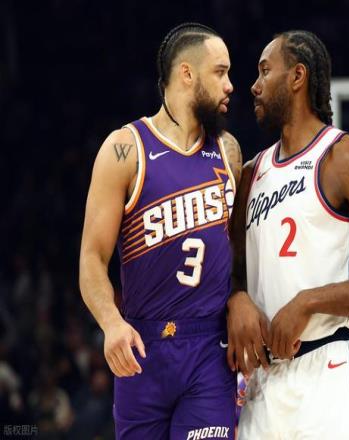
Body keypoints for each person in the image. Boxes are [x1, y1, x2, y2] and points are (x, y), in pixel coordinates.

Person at [227, 30, 349, 439]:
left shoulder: (346, 161)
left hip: (329, 366)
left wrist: (308, 302)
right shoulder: (250, 175)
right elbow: (234, 271)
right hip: (264, 379)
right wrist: (236, 298)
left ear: (297, 76)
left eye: (264, 71)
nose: (254, 86)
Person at [79, 22, 242, 439]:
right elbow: (92, 258)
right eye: (220, 72)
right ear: (187, 73)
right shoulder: (125, 149)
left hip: (209, 349)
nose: (230, 85)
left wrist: (241, 301)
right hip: (143, 345)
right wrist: (111, 323)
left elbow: (240, 250)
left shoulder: (228, 151)